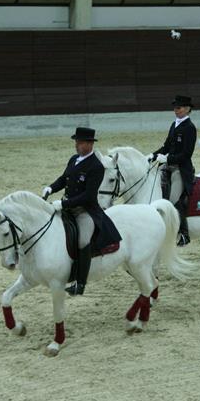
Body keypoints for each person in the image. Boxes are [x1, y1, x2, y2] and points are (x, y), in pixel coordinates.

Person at [42, 127, 122, 296]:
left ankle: (80, 283)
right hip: (66, 206)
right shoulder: (74, 159)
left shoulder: (96, 166)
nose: (76, 145)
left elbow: (88, 196)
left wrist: (64, 204)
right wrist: (51, 188)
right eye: (76, 142)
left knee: (82, 241)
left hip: (85, 211)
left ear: (90, 144)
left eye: (80, 142)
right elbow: (64, 179)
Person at [147, 95, 197, 247]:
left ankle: (183, 233)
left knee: (175, 199)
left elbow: (186, 154)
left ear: (187, 109)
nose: (176, 110)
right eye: (175, 108)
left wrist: (167, 159)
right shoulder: (174, 124)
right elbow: (166, 146)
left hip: (181, 169)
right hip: (168, 165)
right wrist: (154, 155)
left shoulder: (190, 127)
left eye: (179, 108)